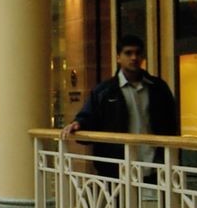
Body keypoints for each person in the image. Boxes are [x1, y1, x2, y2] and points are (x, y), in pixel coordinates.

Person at [62, 34, 179, 164]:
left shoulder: (158, 88)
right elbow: (89, 115)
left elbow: (170, 123)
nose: (134, 57)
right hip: (117, 168)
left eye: (138, 53)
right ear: (118, 57)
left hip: (154, 166)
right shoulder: (104, 91)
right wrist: (79, 123)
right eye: (128, 53)